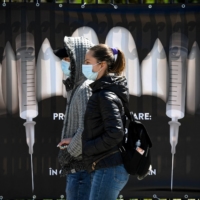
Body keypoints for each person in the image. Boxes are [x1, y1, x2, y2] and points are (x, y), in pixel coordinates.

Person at [82, 44, 130, 200]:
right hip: (107, 165)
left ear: (101, 65)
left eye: (88, 62)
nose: (85, 66)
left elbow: (115, 133)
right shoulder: (104, 91)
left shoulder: (105, 95)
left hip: (109, 167)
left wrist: (88, 147)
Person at [54, 36, 94, 200]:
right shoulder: (76, 87)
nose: (64, 63)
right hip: (78, 171)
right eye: (63, 59)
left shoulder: (85, 88)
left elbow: (86, 130)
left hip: (81, 171)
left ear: (79, 59)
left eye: (67, 58)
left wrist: (69, 152)